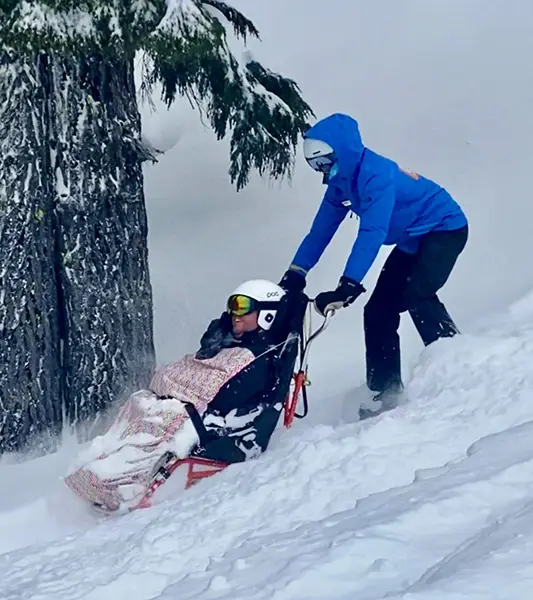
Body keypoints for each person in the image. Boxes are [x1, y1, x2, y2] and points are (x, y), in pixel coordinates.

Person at [279, 113, 468, 418]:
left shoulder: (377, 175)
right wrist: (295, 273)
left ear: (344, 151)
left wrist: (349, 284)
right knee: (378, 310)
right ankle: (386, 391)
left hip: (445, 229)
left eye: (325, 161)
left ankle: (456, 362)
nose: (322, 170)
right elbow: (320, 233)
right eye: (315, 165)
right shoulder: (341, 186)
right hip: (411, 240)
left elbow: (373, 231)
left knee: (416, 293)